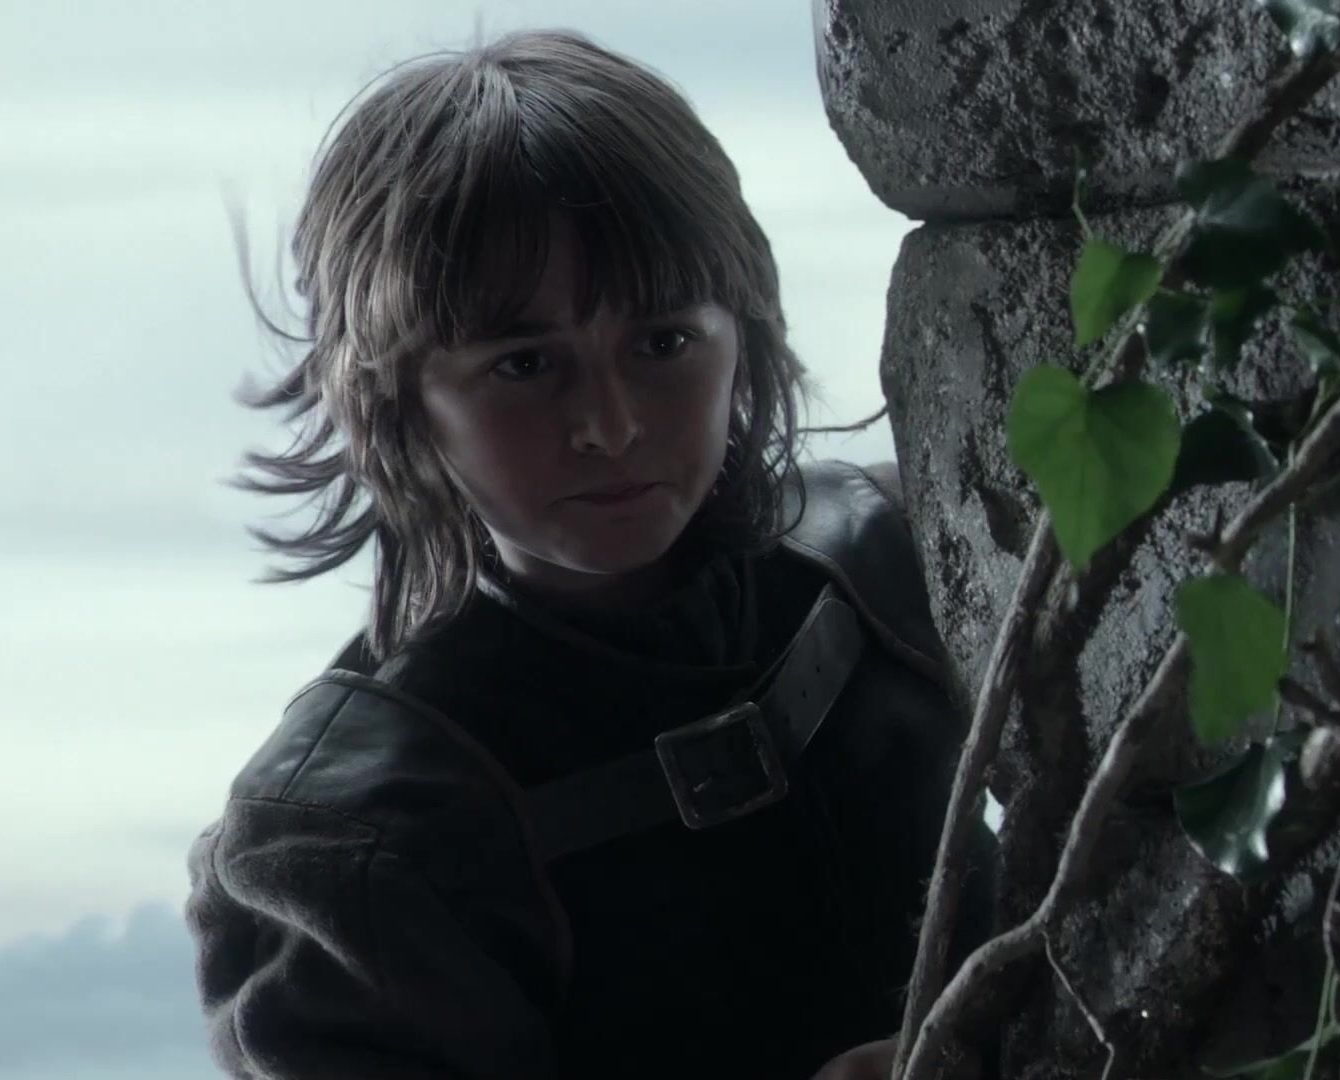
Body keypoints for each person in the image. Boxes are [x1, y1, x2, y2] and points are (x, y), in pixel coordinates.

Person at [183, 27, 997, 1079]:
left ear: (739, 336)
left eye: (663, 343)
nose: (610, 425)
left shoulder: (893, 557)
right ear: (399, 398)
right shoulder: (356, 839)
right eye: (525, 364)